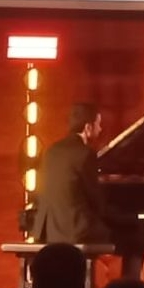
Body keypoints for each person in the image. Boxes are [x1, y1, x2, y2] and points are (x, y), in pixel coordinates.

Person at [33, 103, 113, 245]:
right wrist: (116, 215)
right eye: (98, 124)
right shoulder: (86, 154)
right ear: (88, 128)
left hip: (47, 230)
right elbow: (95, 198)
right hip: (76, 230)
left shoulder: (51, 151)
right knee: (127, 236)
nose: (100, 129)